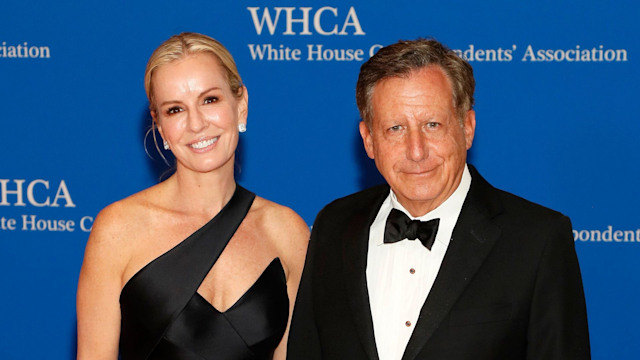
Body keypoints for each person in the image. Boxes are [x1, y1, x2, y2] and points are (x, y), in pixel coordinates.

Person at [287, 38, 590, 360]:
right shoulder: (334, 225)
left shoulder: (537, 239)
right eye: (395, 128)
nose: (416, 151)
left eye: (432, 124)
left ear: (467, 128)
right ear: (369, 140)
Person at [76, 32, 309, 360]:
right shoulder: (118, 229)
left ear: (240, 104)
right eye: (175, 110)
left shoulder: (287, 232)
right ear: (159, 126)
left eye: (210, 100)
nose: (196, 124)